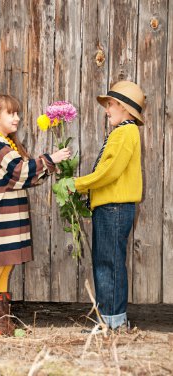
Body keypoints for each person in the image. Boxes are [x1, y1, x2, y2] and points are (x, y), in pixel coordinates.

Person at [0, 94, 70, 336]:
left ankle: (1, 322)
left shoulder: (5, 143)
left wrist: (48, 166)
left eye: (17, 113)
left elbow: (20, 179)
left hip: (5, 217)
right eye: (11, 113)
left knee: (5, 267)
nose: (17, 118)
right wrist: (50, 159)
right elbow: (19, 170)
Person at [75, 81, 145, 330]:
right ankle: (109, 320)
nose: (107, 109)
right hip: (110, 207)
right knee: (106, 262)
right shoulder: (123, 131)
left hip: (114, 208)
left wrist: (79, 184)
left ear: (125, 107)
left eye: (111, 104)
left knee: (109, 263)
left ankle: (113, 324)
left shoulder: (126, 132)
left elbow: (109, 171)